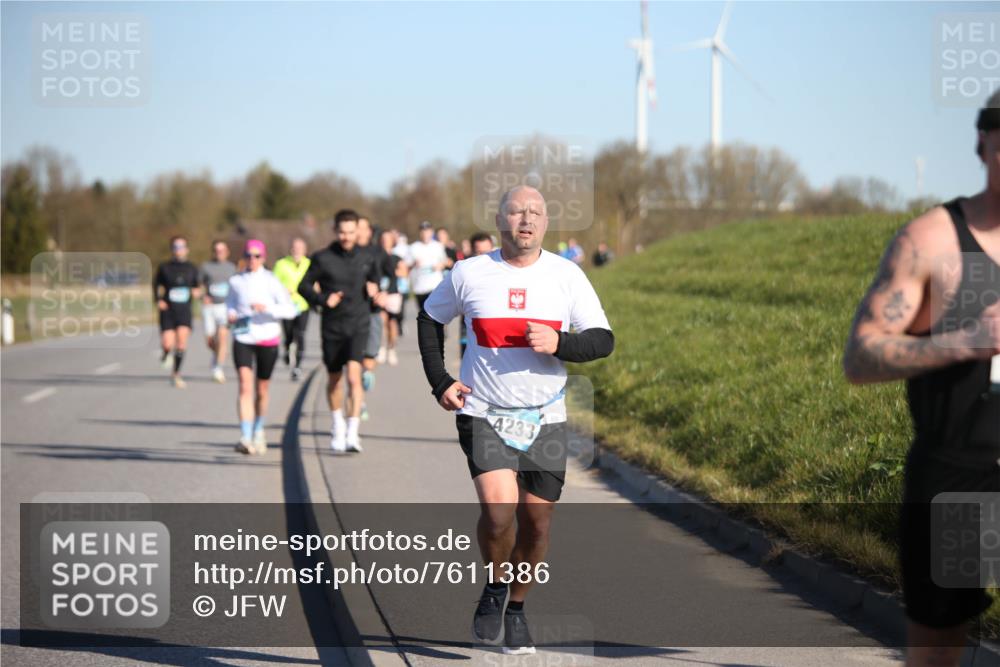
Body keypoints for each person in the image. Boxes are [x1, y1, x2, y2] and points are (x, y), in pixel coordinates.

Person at [417, 186, 614, 655]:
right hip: (483, 410)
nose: (526, 219)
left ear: (547, 222)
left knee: (537, 525)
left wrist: (560, 342)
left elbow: (603, 341)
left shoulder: (567, 276)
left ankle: (518, 607)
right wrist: (441, 381)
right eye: (516, 211)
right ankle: (495, 584)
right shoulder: (469, 273)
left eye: (535, 212)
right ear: (500, 219)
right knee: (499, 511)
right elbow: (429, 320)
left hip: (545, 417)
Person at [843, 91, 1000, 667]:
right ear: (984, 145)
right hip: (959, 474)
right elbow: (860, 357)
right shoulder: (932, 240)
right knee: (939, 643)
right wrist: (964, 341)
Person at [298, 209, 386, 453]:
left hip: (359, 325)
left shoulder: (368, 257)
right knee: (335, 380)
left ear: (357, 230)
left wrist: (376, 292)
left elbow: (378, 284)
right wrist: (323, 298)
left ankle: (352, 432)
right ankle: (336, 424)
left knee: (354, 378)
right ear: (335, 231)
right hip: (332, 327)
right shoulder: (322, 258)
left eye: (351, 232)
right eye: (342, 232)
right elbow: (302, 286)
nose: (347, 237)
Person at [225, 240, 297, 454]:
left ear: (263, 258)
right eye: (248, 255)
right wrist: (230, 314)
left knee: (261, 390)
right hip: (243, 337)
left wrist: (267, 308)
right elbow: (229, 304)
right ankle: (245, 436)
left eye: (257, 256)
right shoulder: (236, 281)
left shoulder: (272, 281)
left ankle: (258, 429)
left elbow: (290, 310)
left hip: (268, 338)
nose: (252, 259)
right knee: (245, 387)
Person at [154, 236, 201, 388]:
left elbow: (197, 286)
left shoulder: (192, 268)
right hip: (168, 310)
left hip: (184, 311)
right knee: (168, 343)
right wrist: (158, 300)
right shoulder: (164, 267)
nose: (178, 250)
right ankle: (166, 353)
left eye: (181, 247)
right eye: (176, 247)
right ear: (172, 249)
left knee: (181, 342)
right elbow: (155, 284)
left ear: (186, 249)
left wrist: (197, 292)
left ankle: (176, 374)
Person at [357, 216, 388, 420]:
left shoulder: (378, 253)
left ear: (369, 231)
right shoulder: (344, 254)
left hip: (373, 311)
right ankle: (359, 403)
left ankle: (366, 375)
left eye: (362, 228)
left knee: (370, 358)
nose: (358, 232)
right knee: (353, 361)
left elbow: (392, 278)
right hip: (352, 314)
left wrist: (383, 292)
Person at [273, 238, 312, 381]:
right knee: (289, 335)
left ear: (305, 250)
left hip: (303, 305)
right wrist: (283, 291)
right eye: (295, 248)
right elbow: (273, 284)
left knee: (300, 334)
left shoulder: (309, 264)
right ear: (291, 249)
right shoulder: (281, 264)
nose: (297, 251)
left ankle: (298, 366)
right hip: (287, 306)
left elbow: (316, 281)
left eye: (300, 248)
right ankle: (287, 349)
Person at [200, 240, 237, 383]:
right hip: (209, 307)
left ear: (227, 252)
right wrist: (204, 296)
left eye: (222, 250)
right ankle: (216, 356)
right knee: (210, 341)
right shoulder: (205, 267)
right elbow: (198, 286)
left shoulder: (232, 268)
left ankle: (218, 368)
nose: (219, 253)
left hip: (225, 307)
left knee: (222, 336)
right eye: (216, 250)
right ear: (213, 252)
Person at [459, 231, 496, 358]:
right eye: (479, 253)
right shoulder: (464, 271)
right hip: (469, 321)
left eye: (487, 252)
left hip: (492, 326)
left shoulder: (501, 270)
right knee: (466, 354)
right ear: (472, 251)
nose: (484, 257)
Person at [377, 228, 406, 366]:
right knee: (381, 321)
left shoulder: (396, 258)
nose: (385, 242)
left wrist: (396, 272)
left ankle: (392, 349)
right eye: (383, 240)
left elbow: (404, 272)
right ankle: (381, 348)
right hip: (379, 293)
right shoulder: (375, 257)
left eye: (387, 240)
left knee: (391, 323)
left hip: (393, 293)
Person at [408, 221, 448, 312]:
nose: (425, 234)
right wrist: (414, 264)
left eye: (427, 231)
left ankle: (441, 327)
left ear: (431, 232)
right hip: (420, 287)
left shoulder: (438, 246)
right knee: (424, 315)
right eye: (423, 231)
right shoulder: (413, 247)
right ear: (420, 233)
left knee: (438, 314)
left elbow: (445, 262)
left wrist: (440, 265)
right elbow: (406, 266)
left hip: (435, 286)